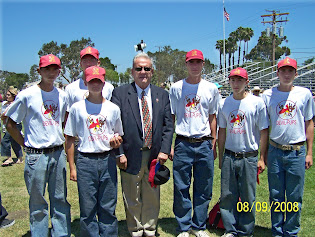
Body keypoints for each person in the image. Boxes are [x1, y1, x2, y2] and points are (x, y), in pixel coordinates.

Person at [5, 54, 71, 237]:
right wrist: (25, 145)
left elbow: (65, 120)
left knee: (60, 200)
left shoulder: (62, 95)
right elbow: (10, 123)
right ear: (39, 71)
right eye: (46, 69)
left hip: (58, 153)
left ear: (60, 70)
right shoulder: (27, 95)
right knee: (38, 202)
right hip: (36, 155)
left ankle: (61, 233)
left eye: (55, 68)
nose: (51, 72)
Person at [111, 52, 173, 237]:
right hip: (129, 155)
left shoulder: (162, 95)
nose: (143, 72)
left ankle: (150, 228)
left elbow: (168, 126)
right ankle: (136, 230)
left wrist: (164, 150)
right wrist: (119, 153)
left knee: (152, 195)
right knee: (132, 195)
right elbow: (114, 127)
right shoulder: (120, 94)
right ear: (132, 71)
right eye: (139, 68)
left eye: (147, 68)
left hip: (154, 155)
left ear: (152, 71)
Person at [65, 65, 123, 236]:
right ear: (86, 82)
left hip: (107, 159)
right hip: (85, 160)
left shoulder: (113, 108)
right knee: (88, 206)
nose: (95, 85)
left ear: (104, 83)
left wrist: (116, 141)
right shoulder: (77, 108)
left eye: (99, 81)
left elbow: (119, 135)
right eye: (92, 81)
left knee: (108, 204)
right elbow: (69, 138)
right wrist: (72, 166)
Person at [169, 49, 220, 237]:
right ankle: (183, 226)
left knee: (204, 186)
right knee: (181, 186)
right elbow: (172, 117)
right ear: (186, 64)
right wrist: (171, 145)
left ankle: (199, 225)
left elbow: (212, 117)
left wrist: (213, 142)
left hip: (204, 142)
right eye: (191, 62)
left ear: (203, 64)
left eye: (198, 62)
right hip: (183, 142)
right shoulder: (176, 88)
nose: (195, 66)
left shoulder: (211, 88)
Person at [262, 57, 314, 236]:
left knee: (294, 196)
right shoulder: (268, 95)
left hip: (296, 152)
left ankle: (291, 232)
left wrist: (310, 153)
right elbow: (264, 127)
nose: (286, 74)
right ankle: (277, 231)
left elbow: (309, 123)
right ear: (277, 73)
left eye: (290, 71)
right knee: (276, 194)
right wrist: (263, 155)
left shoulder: (304, 94)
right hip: (275, 150)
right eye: (283, 71)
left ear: (296, 73)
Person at [218, 67, 269, 237]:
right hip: (230, 155)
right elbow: (222, 131)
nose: (236, 83)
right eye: (233, 80)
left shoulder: (257, 102)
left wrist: (262, 158)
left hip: (249, 157)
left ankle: (246, 231)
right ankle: (230, 229)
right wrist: (221, 155)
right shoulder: (224, 103)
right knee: (227, 195)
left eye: (240, 80)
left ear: (246, 82)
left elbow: (263, 131)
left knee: (248, 196)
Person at [64, 46, 114, 162]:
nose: (88, 63)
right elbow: (67, 118)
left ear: (98, 62)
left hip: (101, 138)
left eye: (92, 60)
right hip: (79, 140)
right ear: (80, 63)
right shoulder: (71, 88)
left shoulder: (109, 87)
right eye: (85, 60)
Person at [1, 86, 23, 166]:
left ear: (13, 96)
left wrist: (6, 114)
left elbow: (6, 114)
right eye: (6, 95)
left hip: (15, 125)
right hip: (7, 125)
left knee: (5, 141)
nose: (7, 96)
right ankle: (20, 158)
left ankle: (9, 158)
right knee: (14, 141)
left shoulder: (16, 104)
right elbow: (3, 115)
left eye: (9, 95)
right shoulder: (4, 104)